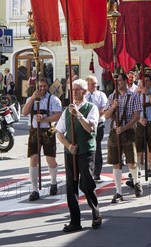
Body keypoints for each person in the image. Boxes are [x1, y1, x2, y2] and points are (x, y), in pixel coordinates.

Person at [56, 79, 102, 233]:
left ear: (84, 92)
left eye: (78, 90)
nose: (74, 92)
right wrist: (68, 145)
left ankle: (96, 214)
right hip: (71, 152)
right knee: (71, 186)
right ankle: (75, 221)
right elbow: (59, 132)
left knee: (87, 183)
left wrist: (78, 115)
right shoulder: (66, 111)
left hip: (86, 151)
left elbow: (90, 128)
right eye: (73, 89)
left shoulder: (91, 108)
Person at [22, 76, 62, 201]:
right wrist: (33, 98)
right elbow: (24, 112)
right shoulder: (31, 99)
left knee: (50, 159)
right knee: (33, 159)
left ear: (48, 86)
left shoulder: (53, 99)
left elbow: (58, 116)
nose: (42, 88)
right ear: (36, 87)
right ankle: (34, 189)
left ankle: (54, 182)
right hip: (34, 131)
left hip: (48, 131)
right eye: (40, 86)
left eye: (44, 86)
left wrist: (44, 119)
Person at [104, 72, 142, 203]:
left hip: (128, 131)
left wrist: (125, 127)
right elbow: (106, 115)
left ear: (126, 81)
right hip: (115, 132)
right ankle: (118, 192)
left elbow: (136, 116)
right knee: (116, 162)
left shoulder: (134, 96)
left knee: (131, 160)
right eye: (116, 81)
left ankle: (136, 182)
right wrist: (114, 106)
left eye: (120, 80)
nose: (118, 83)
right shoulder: (112, 97)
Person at [130, 70, 151, 187]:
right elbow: (133, 109)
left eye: (147, 81)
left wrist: (147, 93)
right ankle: (136, 175)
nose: (145, 83)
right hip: (141, 123)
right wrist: (139, 119)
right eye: (144, 80)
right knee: (138, 150)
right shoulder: (137, 93)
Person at [85, 75, 108, 181]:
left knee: (97, 148)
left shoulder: (101, 94)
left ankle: (97, 172)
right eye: (93, 83)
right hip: (85, 125)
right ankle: (88, 170)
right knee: (87, 148)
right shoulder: (84, 95)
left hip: (98, 124)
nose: (95, 85)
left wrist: (94, 117)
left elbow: (105, 107)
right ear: (87, 84)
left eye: (96, 83)